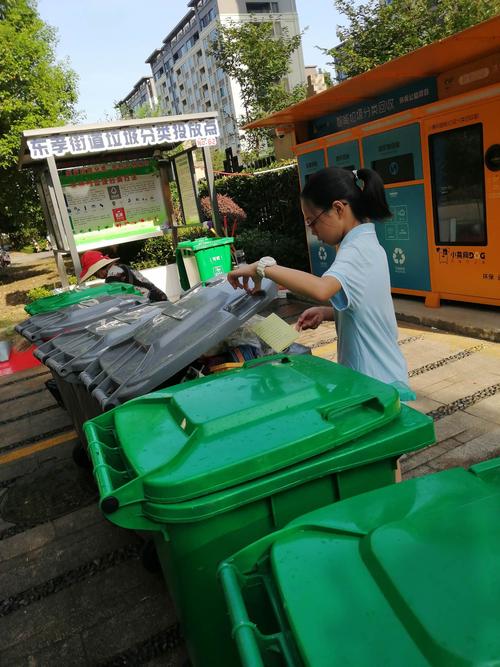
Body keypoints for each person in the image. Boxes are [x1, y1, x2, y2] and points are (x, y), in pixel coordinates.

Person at [227, 166, 415, 400]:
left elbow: (321, 288)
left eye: (312, 221)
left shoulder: (355, 251)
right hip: (385, 375)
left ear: (338, 208)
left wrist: (262, 267)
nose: (313, 231)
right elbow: (368, 307)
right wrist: (328, 313)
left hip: (373, 384)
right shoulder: (367, 243)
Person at [78, 250, 168, 302]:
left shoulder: (112, 276)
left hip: (153, 302)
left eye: (95, 274)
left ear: (99, 270)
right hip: (158, 297)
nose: (97, 277)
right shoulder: (120, 267)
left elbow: (113, 298)